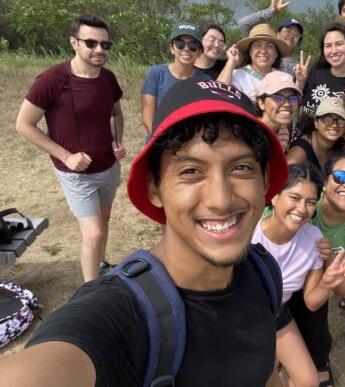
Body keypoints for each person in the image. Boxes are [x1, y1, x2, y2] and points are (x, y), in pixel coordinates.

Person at [2, 80, 290, 385]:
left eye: (241, 168)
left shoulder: (263, 271)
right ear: (154, 188)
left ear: (265, 179)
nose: (221, 199)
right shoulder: (117, 314)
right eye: (191, 171)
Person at [15, 15, 125, 282]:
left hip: (108, 166)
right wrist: (66, 156)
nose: (100, 50)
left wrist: (116, 141)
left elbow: (116, 113)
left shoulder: (108, 78)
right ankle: (91, 293)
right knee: (94, 232)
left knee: (105, 220)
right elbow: (24, 124)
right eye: (91, 43)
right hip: (75, 173)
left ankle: (99, 266)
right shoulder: (53, 78)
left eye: (105, 44)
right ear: (74, 43)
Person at [252, 164, 345, 387]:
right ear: (275, 197)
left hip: (277, 315)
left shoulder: (313, 238)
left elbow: (311, 301)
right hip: (244, 318)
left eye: (310, 202)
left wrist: (328, 284)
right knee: (265, 375)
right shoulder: (249, 233)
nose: (302, 208)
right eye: (295, 197)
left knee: (308, 381)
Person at [286, 147, 345, 383]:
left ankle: (320, 366)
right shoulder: (304, 204)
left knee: (318, 340)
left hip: (316, 285)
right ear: (325, 182)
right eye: (340, 177)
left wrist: (330, 259)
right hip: (278, 280)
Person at [140, 22, 207, 133]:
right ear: (172, 48)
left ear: (200, 52)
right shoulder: (155, 73)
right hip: (159, 140)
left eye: (193, 46)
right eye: (180, 44)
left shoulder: (205, 81)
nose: (186, 49)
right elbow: (148, 120)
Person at [299, 23, 345, 126]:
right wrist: (300, 82)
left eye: (339, 44)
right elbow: (295, 103)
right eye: (328, 46)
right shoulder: (316, 71)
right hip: (302, 137)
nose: (333, 51)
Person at [217, 23, 291, 101]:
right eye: (257, 45)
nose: (263, 51)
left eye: (269, 46)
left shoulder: (284, 78)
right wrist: (231, 62)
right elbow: (218, 95)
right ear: (250, 52)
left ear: (276, 53)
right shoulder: (236, 75)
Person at [237, 0, 305, 77]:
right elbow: (244, 24)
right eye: (288, 31)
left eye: (296, 34)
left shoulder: (298, 66)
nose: (291, 36)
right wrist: (270, 12)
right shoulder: (262, 49)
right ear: (278, 33)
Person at [287, 97, 345, 171]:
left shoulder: (341, 146)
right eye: (327, 120)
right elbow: (286, 177)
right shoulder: (300, 151)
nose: (334, 125)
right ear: (316, 122)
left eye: (340, 120)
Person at [254, 71, 302, 151]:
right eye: (278, 98)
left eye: (292, 98)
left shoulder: (283, 132)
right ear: (261, 103)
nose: (287, 104)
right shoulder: (248, 133)